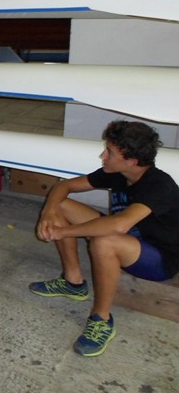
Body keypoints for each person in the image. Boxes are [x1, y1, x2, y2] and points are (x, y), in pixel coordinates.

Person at [29, 120, 179, 357]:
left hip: (159, 258)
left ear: (131, 160)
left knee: (104, 241)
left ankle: (101, 319)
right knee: (60, 205)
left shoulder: (160, 185)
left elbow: (120, 224)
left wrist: (61, 232)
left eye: (109, 152)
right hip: (126, 237)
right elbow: (64, 186)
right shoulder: (119, 173)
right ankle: (73, 282)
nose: (103, 156)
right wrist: (48, 213)